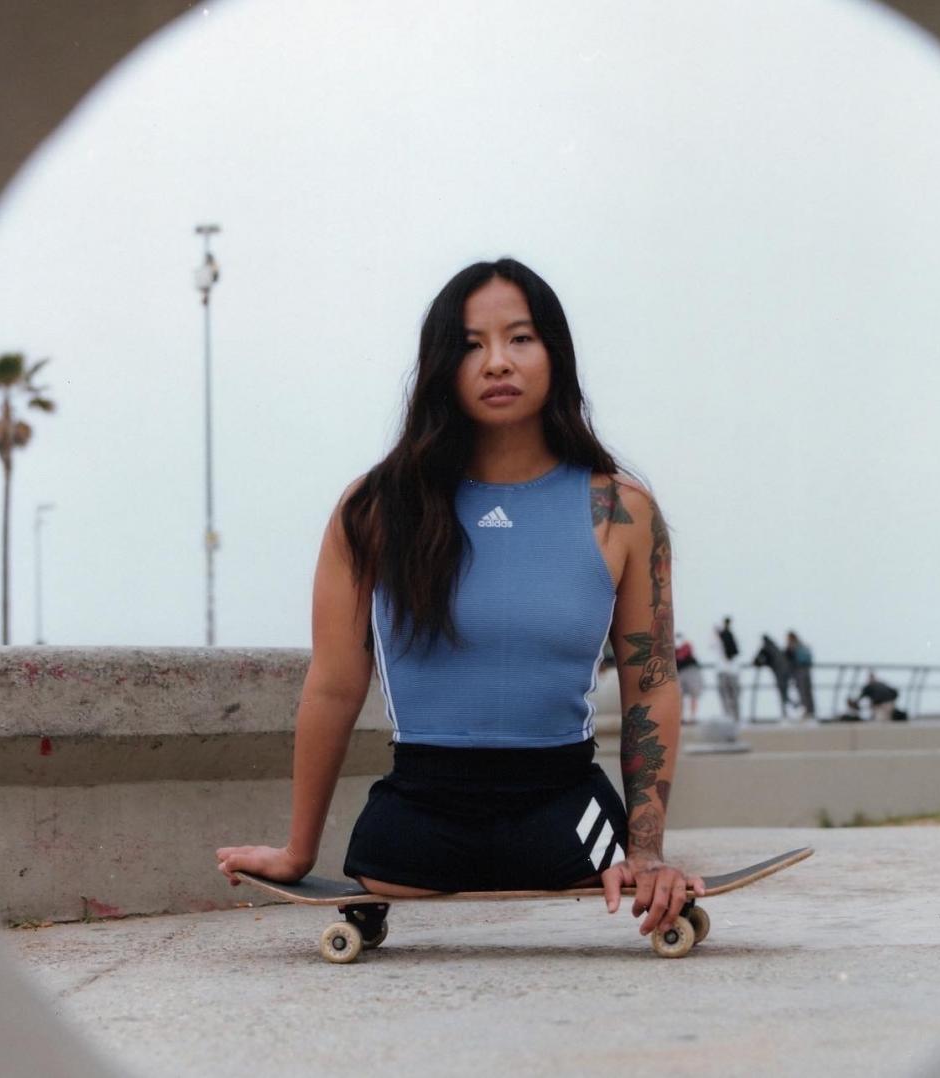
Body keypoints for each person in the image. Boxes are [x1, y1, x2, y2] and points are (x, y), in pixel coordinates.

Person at [215, 258, 703, 937]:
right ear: (442, 364)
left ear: (555, 353)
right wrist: (298, 852)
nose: (497, 362)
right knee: (396, 836)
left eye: (520, 339)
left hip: (568, 828)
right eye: (471, 344)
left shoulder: (619, 510)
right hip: (410, 834)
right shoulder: (375, 510)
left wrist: (646, 853)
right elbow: (332, 686)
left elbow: (650, 686)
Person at [752, 634, 792, 720]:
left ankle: (788, 710)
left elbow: (757, 660)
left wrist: (760, 664)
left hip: (779, 672)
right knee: (784, 691)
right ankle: (790, 708)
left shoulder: (766, 648)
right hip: (785, 671)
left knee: (783, 692)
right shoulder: (775, 646)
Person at [784, 630, 815, 719]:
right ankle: (810, 710)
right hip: (805, 670)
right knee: (807, 691)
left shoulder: (794, 647)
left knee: (803, 691)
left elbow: (789, 659)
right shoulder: (802, 646)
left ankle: (806, 710)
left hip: (799, 671)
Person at [714, 617, 740, 721]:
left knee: (727, 696)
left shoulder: (725, 635)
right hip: (731, 671)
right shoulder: (729, 635)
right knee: (733, 697)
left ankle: (730, 717)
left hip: (726, 671)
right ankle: (733, 717)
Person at [675, 634, 702, 724]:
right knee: (680, 696)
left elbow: (681, 656)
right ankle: (681, 717)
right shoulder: (674, 648)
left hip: (690, 671)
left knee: (693, 695)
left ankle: (692, 717)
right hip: (680, 672)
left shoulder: (686, 645)